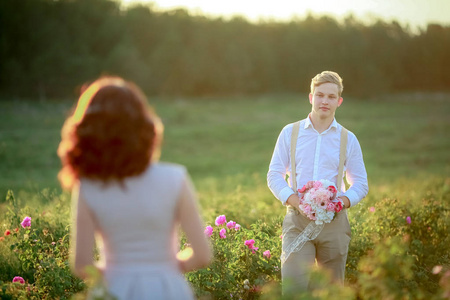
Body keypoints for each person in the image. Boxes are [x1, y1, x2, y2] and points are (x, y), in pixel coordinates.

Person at [58, 77, 212, 299]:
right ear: (144, 126)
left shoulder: (88, 186)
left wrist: (119, 273)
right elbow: (202, 256)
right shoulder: (175, 178)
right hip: (168, 289)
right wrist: (162, 267)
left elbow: (82, 265)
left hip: (113, 290)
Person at [267, 71, 368, 293]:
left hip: (335, 223)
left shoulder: (348, 138)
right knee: (294, 290)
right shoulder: (289, 133)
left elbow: (360, 183)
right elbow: (274, 175)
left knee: (331, 292)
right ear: (311, 97)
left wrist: (340, 203)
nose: (325, 101)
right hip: (297, 221)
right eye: (320, 95)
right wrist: (296, 202)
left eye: (331, 97)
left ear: (339, 101)